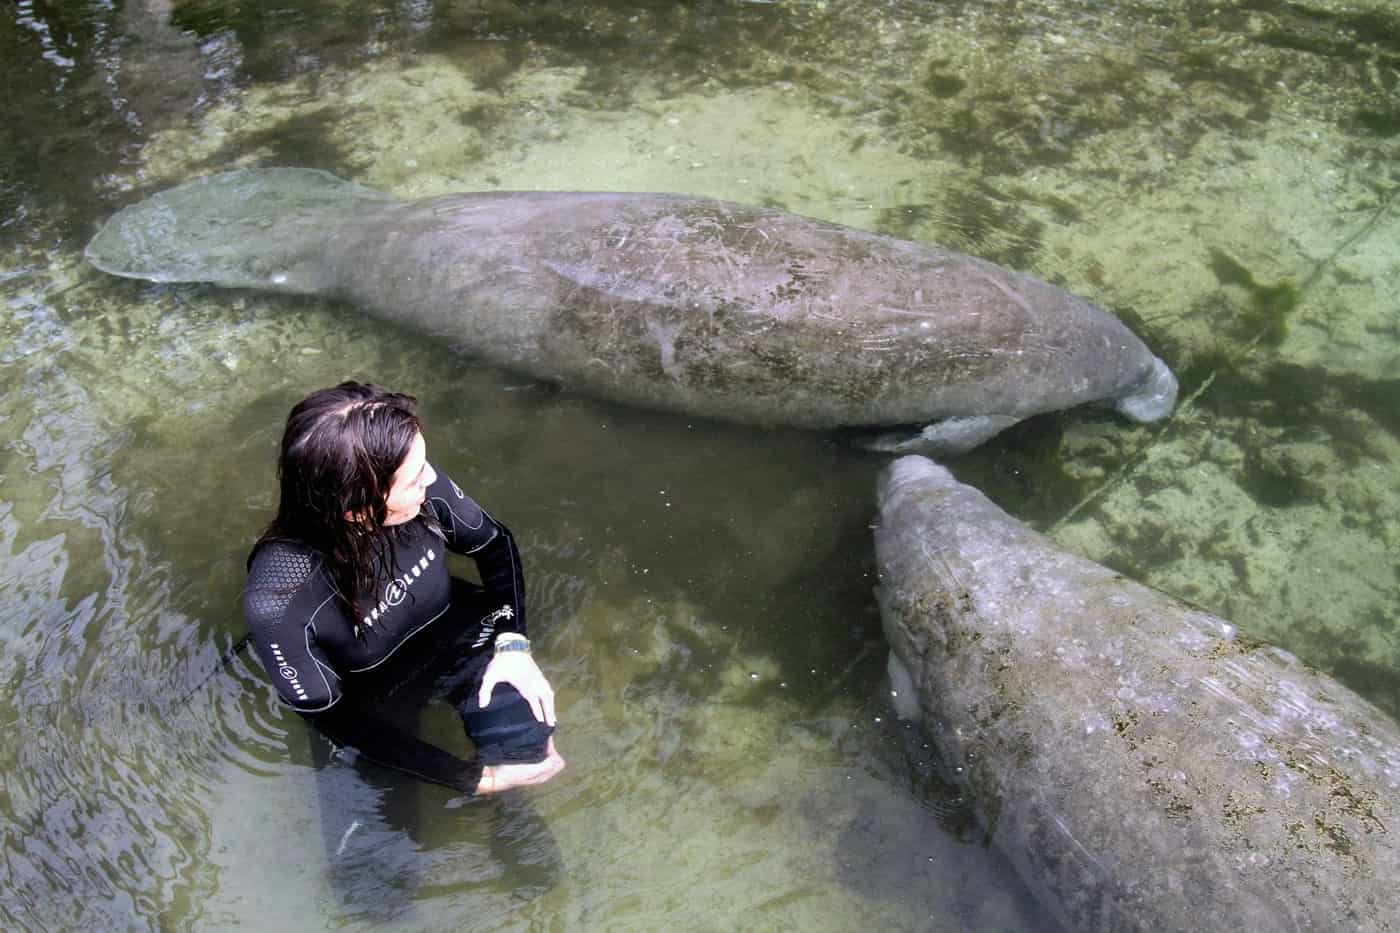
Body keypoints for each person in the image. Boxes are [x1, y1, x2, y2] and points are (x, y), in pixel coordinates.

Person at [242, 382, 565, 796]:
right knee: (375, 835)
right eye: (413, 479)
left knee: (529, 751)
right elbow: (332, 715)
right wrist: (475, 779)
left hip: (458, 632)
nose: (430, 477)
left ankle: (510, 810)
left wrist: (512, 645)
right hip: (374, 693)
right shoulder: (279, 601)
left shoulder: (421, 484)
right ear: (358, 509)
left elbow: (495, 546)